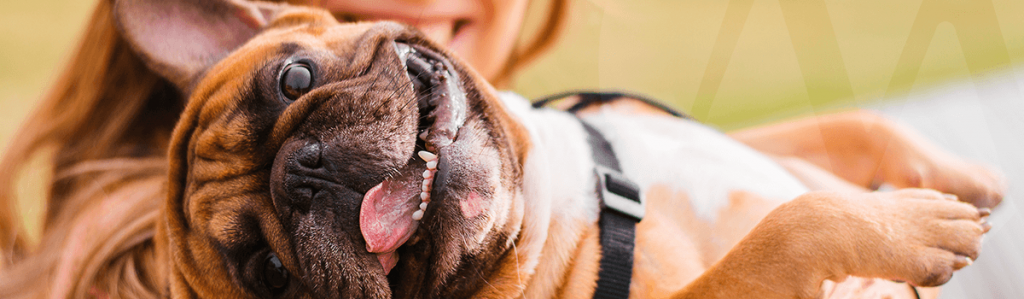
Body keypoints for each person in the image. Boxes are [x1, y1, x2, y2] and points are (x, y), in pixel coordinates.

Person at [0, 0, 999, 298]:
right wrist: (805, 242)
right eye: (266, 260)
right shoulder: (124, 256)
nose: (308, 174)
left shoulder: (539, 134)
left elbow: (686, 168)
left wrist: (856, 145)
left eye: (296, 85)